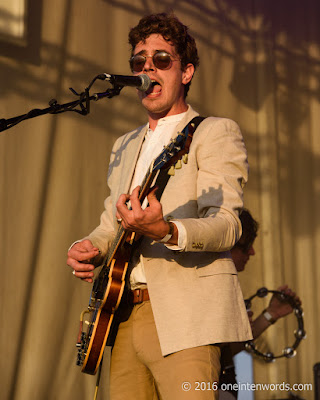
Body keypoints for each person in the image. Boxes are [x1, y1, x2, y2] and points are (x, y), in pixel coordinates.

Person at [67, 12, 252, 400]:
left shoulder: (214, 131)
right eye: (139, 62)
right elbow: (110, 223)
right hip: (120, 315)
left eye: (161, 60)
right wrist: (91, 247)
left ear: (186, 72)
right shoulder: (123, 145)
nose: (147, 69)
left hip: (186, 318)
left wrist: (166, 230)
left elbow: (226, 224)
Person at [219, 209, 301, 398]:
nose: (253, 252)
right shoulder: (204, 286)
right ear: (226, 246)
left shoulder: (230, 284)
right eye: (246, 246)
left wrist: (271, 314)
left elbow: (229, 349)